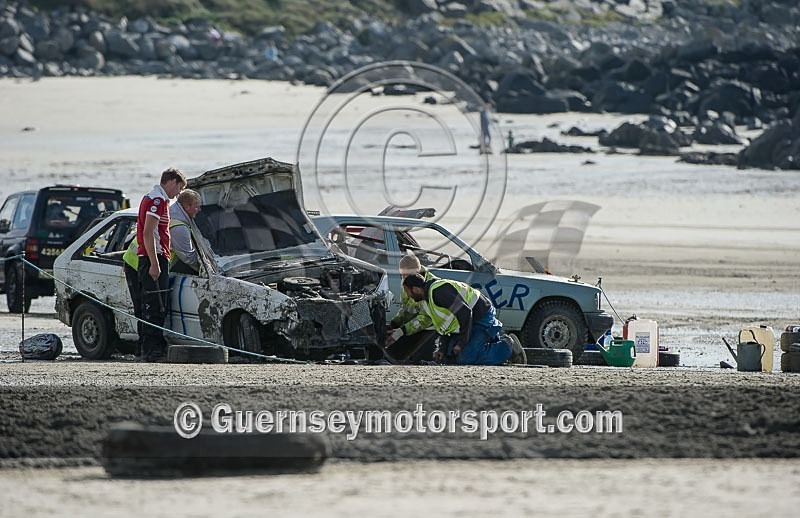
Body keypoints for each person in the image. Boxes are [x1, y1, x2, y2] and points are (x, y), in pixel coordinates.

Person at [123, 188, 200, 355]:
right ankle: (150, 350)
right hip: (145, 263)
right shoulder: (179, 226)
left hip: (135, 261)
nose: (199, 210)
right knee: (152, 308)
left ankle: (143, 348)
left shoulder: (171, 212)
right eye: (197, 206)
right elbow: (189, 258)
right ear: (187, 206)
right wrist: (203, 268)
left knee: (144, 309)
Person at [402, 274, 525, 365]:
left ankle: (508, 346)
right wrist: (443, 349)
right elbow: (445, 325)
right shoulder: (428, 300)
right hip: (468, 320)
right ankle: (491, 343)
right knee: (450, 357)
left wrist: (461, 343)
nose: (408, 296)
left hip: (480, 316)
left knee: (466, 358)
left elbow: (465, 312)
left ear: (416, 289)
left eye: (408, 292)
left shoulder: (439, 292)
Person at [135, 167, 186, 362]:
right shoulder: (157, 200)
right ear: (172, 182)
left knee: (154, 305)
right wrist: (154, 264)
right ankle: (151, 351)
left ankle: (148, 349)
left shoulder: (155, 198)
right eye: (179, 188)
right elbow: (148, 233)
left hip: (154, 256)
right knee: (155, 307)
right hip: (153, 256)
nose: (178, 193)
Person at [384, 253, 438, 363]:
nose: (403, 278)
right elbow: (405, 309)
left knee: (418, 360)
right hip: (414, 328)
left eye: (406, 275)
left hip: (431, 330)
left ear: (416, 272)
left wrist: (401, 331)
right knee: (392, 353)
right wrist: (394, 324)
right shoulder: (406, 282)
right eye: (402, 275)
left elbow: (426, 319)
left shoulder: (431, 287)